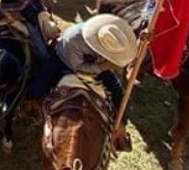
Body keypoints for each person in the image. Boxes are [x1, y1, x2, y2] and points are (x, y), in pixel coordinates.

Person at [35, 14, 137, 149]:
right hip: (65, 62)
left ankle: (119, 127)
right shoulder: (74, 39)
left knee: (120, 94)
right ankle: (29, 105)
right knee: (39, 86)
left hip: (97, 62)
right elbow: (78, 68)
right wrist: (106, 66)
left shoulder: (108, 34)